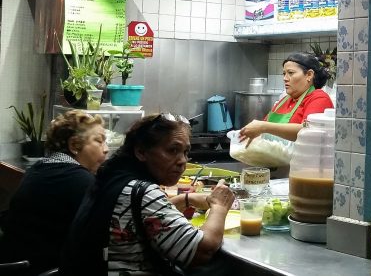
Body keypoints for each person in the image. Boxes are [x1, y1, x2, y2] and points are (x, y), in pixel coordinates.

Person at [61, 113, 235, 276]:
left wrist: (185, 199)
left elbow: (137, 217)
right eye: (172, 150)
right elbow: (202, 250)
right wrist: (219, 206)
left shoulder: (112, 177)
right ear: (141, 152)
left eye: (185, 152)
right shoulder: (143, 191)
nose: (182, 160)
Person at [0, 110, 108, 275]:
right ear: (74, 145)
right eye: (99, 141)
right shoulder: (79, 180)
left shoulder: (40, 168)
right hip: (43, 269)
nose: (106, 149)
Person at [239, 52, 334, 143]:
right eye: (284, 74)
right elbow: (263, 130)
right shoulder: (284, 101)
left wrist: (263, 127)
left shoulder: (319, 98)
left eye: (291, 73)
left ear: (309, 75)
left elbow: (308, 131)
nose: (285, 78)